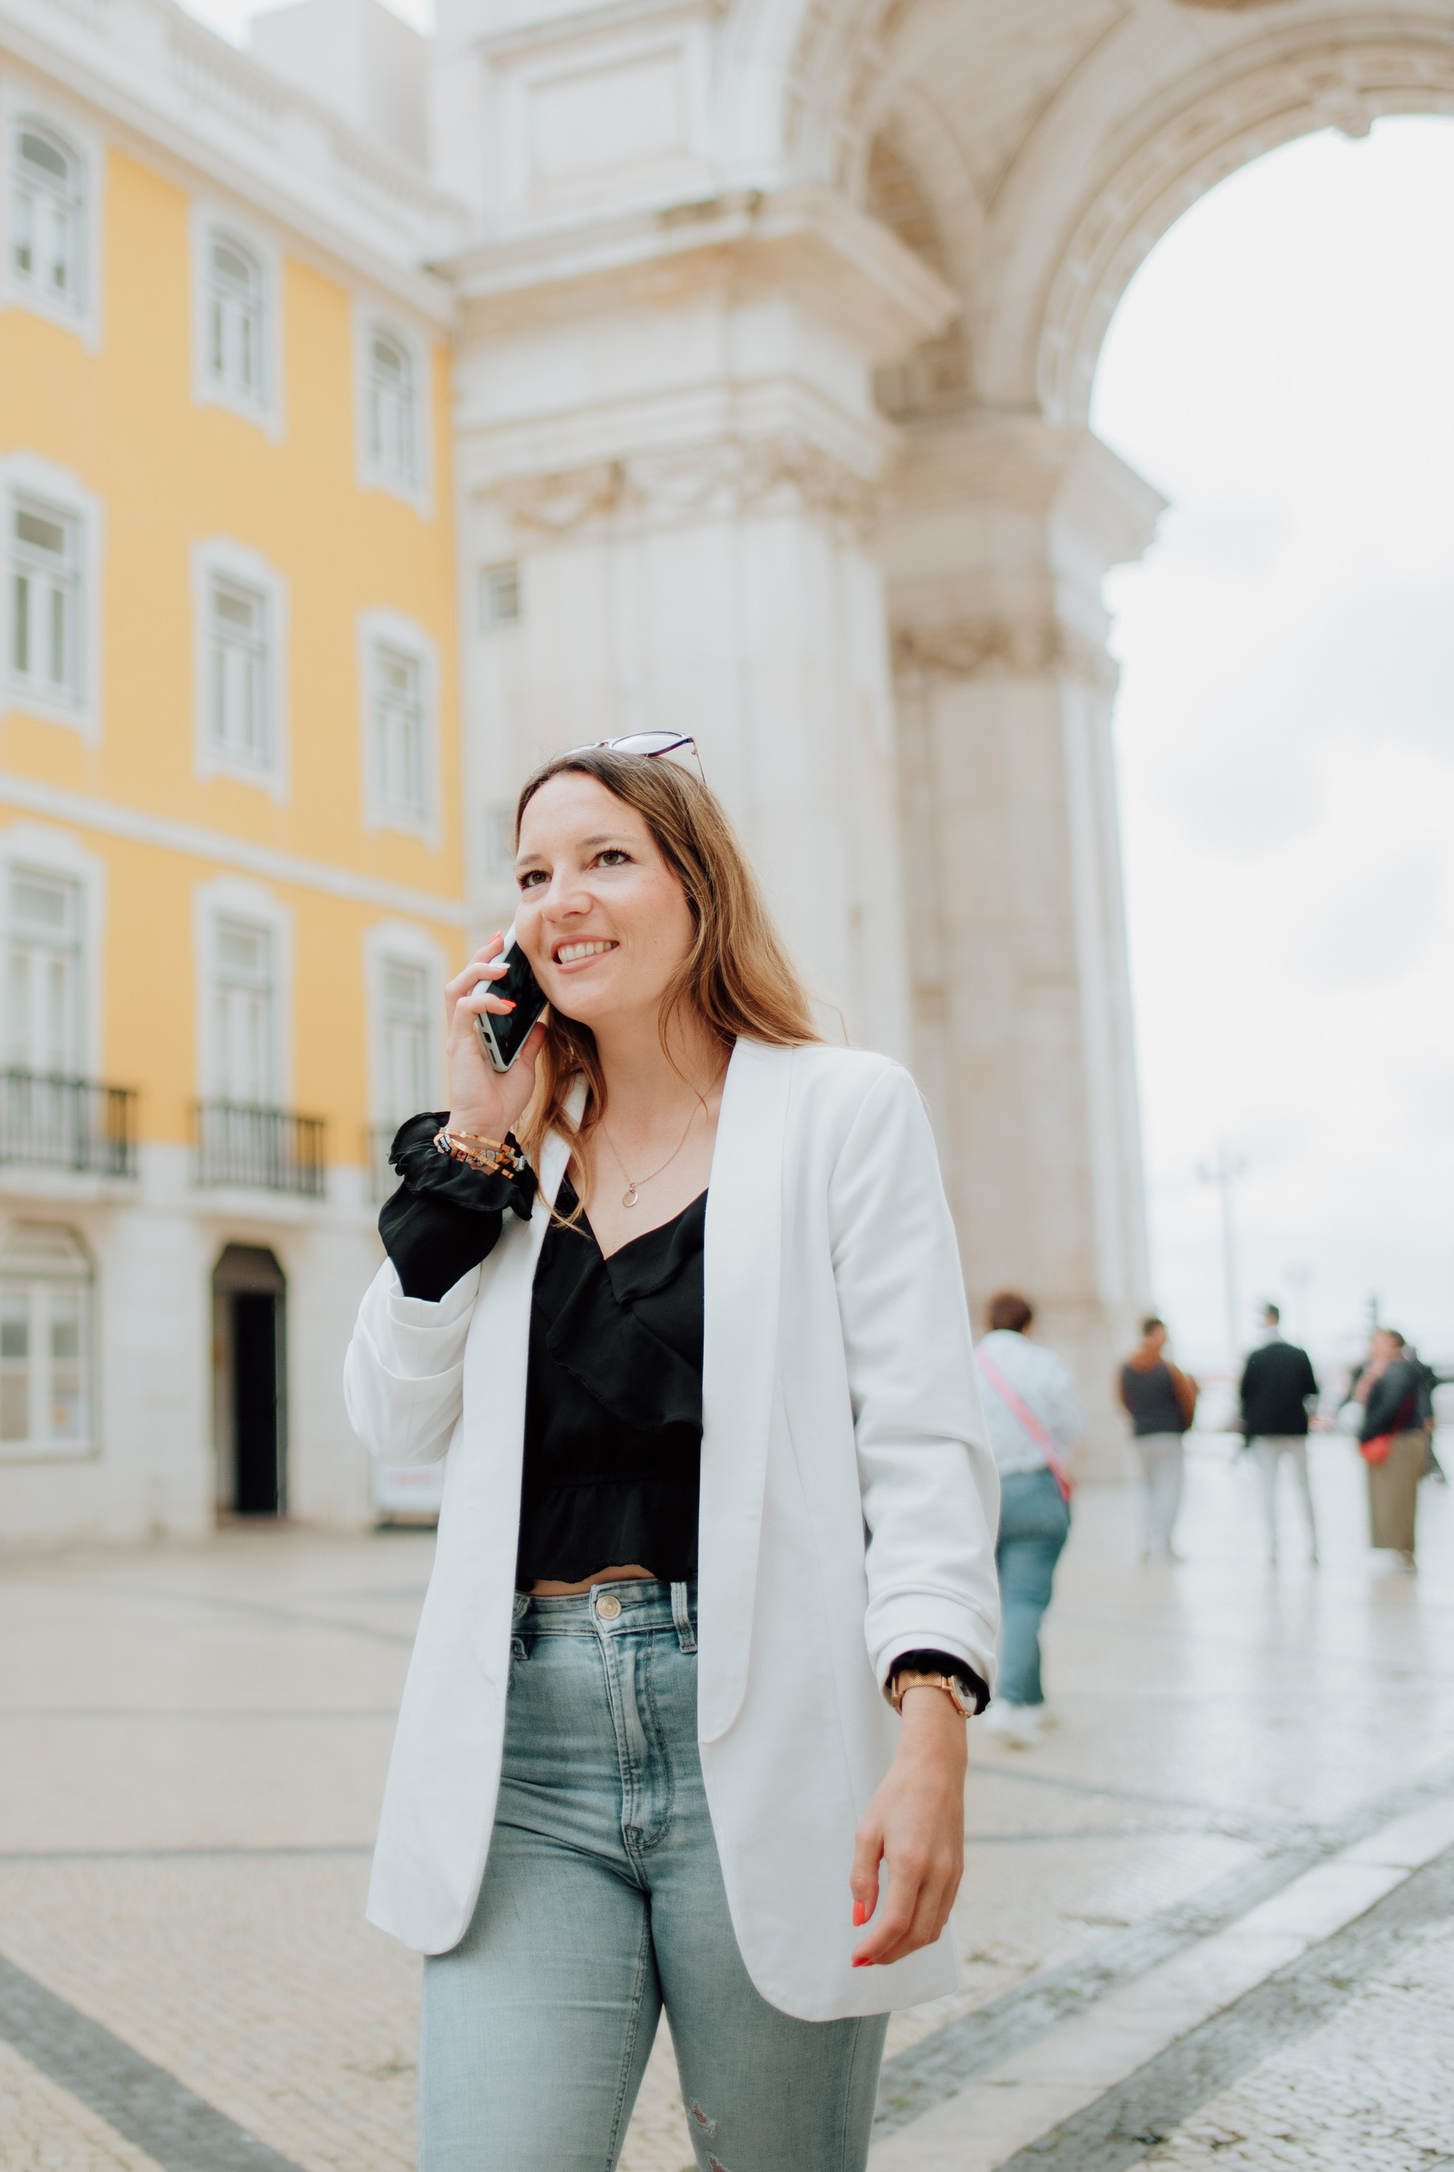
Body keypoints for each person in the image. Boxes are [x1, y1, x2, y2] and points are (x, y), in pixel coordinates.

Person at [346, 737, 1000, 2172]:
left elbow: (922, 1448)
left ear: (697, 886)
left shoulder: (843, 1110)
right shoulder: (512, 1158)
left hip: (772, 1735)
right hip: (523, 1761)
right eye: (531, 873)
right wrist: (474, 1142)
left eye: (606, 858)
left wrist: (931, 1735)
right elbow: (392, 1419)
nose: (560, 899)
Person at [973, 1294, 1085, 1747]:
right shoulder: (1045, 1364)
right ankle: (1008, 1703)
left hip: (980, 1496)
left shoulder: (966, 1364)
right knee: (1026, 1598)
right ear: (1029, 1324)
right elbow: (1072, 1427)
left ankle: (1034, 1700)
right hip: (1034, 1490)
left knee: (1015, 1598)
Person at [1238, 1304, 1319, 1566]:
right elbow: (1311, 1394)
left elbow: (1244, 1397)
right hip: (1295, 1430)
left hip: (1264, 1432)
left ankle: (1272, 1547)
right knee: (1303, 1486)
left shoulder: (1255, 1356)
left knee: (1268, 1489)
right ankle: (1313, 1544)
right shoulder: (1298, 1354)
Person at [1118, 1317, 1197, 1562]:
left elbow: (1123, 1399)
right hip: (1168, 1434)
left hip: (1142, 1434)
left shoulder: (1127, 1367)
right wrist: (1184, 1425)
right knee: (1168, 1489)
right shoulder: (1168, 1369)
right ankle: (1164, 1542)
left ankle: (1145, 1542)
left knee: (1145, 1488)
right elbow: (1187, 1401)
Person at [1354, 1327, 1431, 1573]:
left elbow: (1390, 1404)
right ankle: (1402, 1549)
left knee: (1398, 1498)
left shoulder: (1395, 1369)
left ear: (1393, 1343)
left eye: (1377, 1341)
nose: (1372, 1346)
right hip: (1402, 1438)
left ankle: (1403, 1550)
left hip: (1399, 1440)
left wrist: (1368, 1432)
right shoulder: (1393, 1368)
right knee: (1398, 1497)